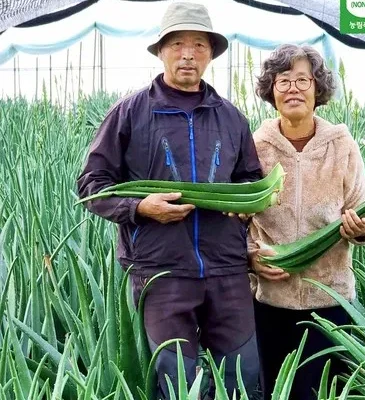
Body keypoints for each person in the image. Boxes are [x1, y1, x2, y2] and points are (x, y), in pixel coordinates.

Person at [77, 3, 262, 398]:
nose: (188, 54)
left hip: (226, 270)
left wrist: (243, 203)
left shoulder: (231, 118)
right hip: (160, 271)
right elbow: (93, 184)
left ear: (211, 53)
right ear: (161, 51)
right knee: (175, 381)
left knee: (242, 377)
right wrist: (140, 208)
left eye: (199, 44)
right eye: (177, 44)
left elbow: (251, 178)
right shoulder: (129, 113)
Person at [248, 44, 365, 400]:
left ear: (317, 89)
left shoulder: (342, 145)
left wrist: (362, 229)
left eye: (302, 80)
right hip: (271, 300)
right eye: (283, 80)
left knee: (322, 390)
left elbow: (362, 209)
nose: (292, 89)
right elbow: (239, 219)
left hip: (331, 299)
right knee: (276, 389)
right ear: (271, 91)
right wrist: (251, 258)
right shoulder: (256, 146)